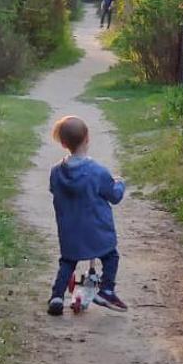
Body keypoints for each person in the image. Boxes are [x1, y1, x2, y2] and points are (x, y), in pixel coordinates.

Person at [47, 114, 127, 315]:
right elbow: (114, 196)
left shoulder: (56, 172)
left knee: (68, 262)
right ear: (87, 138)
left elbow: (54, 190)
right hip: (97, 230)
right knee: (110, 256)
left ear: (63, 143)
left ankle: (57, 297)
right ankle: (106, 290)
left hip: (70, 231)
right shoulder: (97, 172)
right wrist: (120, 184)